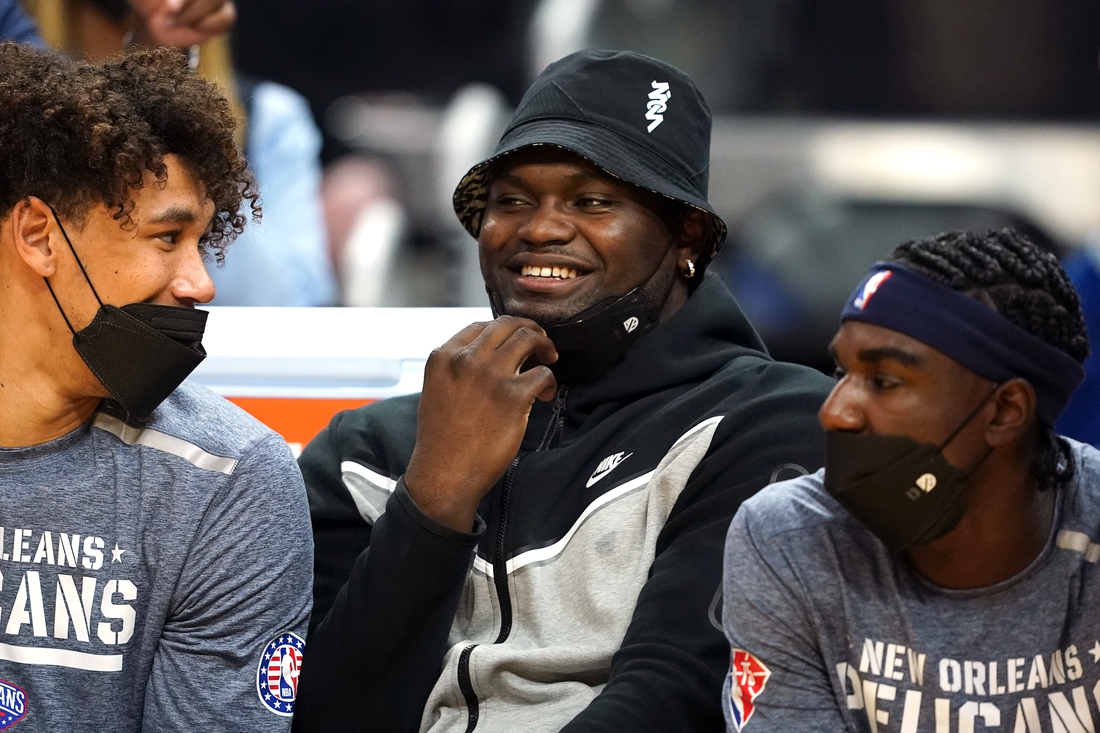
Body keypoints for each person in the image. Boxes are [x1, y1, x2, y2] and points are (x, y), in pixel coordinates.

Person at [293, 49, 832, 732]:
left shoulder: (765, 424)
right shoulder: (365, 449)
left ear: (686, 235)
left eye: (592, 201)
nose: (540, 228)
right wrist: (437, 490)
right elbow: (313, 713)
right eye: (511, 200)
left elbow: (679, 695)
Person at [0, 43, 311, 730]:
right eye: (168, 237)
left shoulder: (228, 477)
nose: (201, 283)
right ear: (38, 235)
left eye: (202, 241)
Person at [721, 229, 1096, 732]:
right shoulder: (789, 537)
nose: (834, 412)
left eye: (884, 381)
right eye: (840, 373)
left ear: (1006, 410)